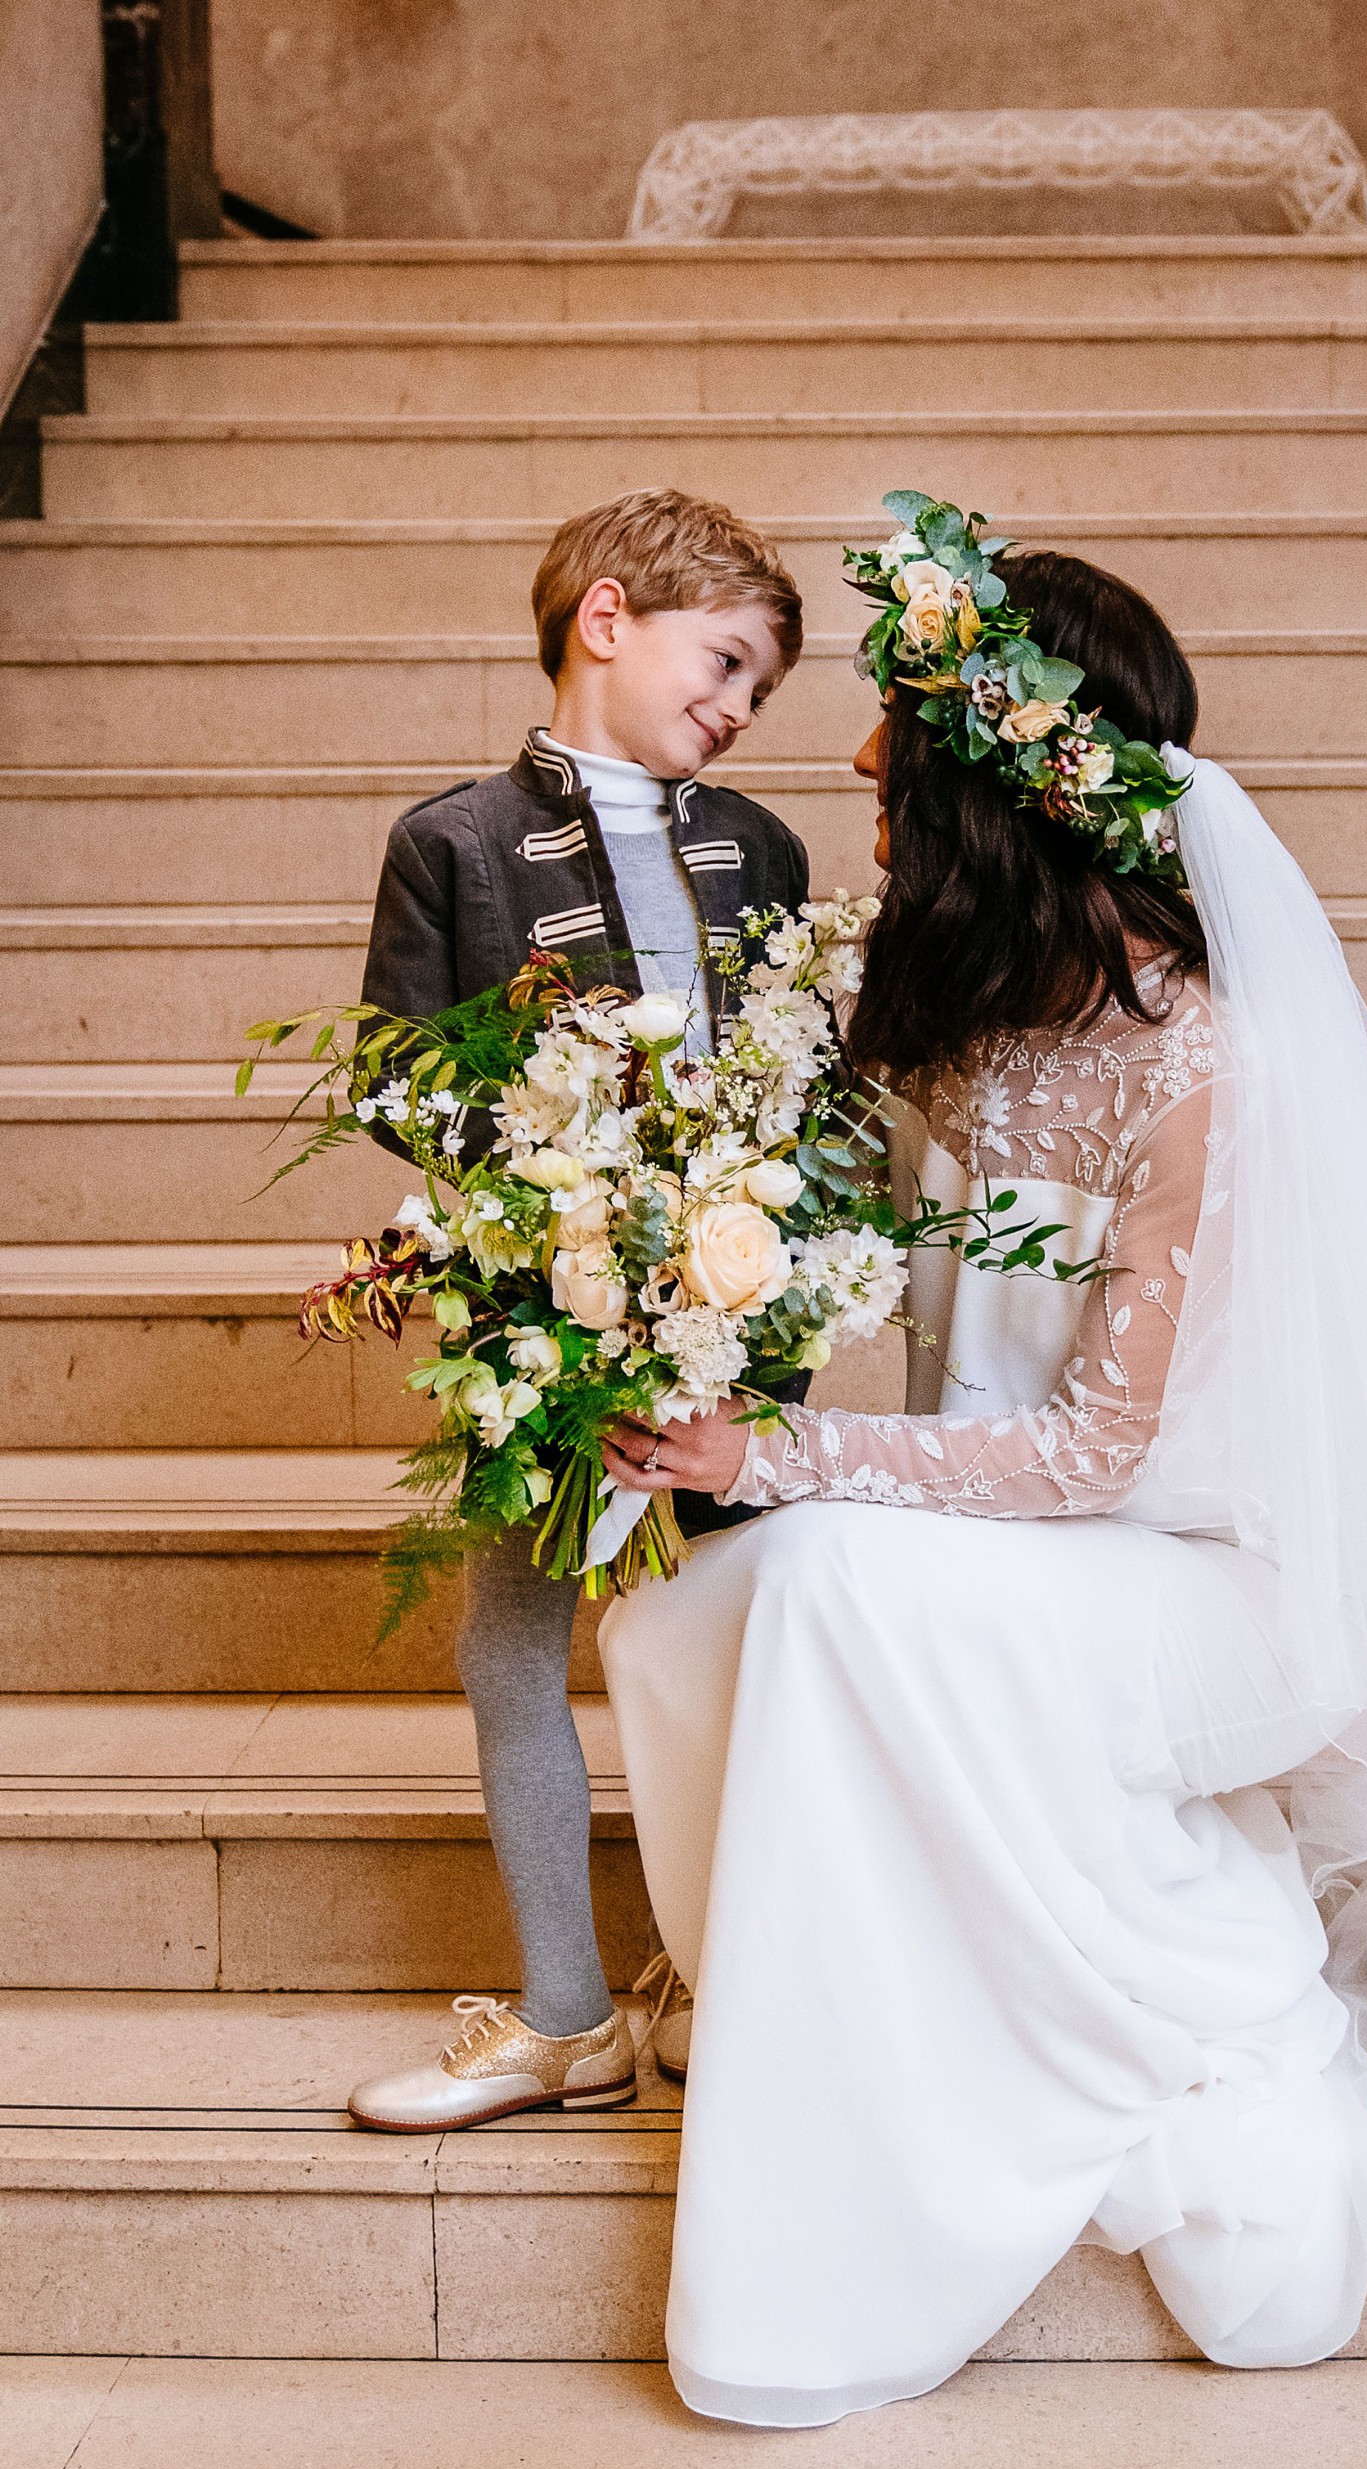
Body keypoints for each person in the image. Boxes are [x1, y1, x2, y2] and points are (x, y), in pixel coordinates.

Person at [596, 524, 1367, 2426]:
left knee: (831, 1576)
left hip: (1216, 1587)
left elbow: (1104, 1447)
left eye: (900, 749)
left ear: (1000, 791)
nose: (859, 769)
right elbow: (802, 1219)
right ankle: (828, 2006)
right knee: (714, 1597)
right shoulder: (961, 1006)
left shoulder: (1201, 1062)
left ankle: (988, 2090)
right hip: (1044, 1556)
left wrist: (778, 1447)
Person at [345, 488, 810, 2131]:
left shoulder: (760, 846)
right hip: (546, 1314)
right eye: (727, 659)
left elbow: (798, 1071)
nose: (740, 706)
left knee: (731, 1641)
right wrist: (566, 1179)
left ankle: (700, 1975)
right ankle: (561, 2010)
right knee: (514, 1641)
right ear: (605, 618)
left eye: (760, 690)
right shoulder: (454, 842)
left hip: (733, 1319)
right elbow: (396, 1078)